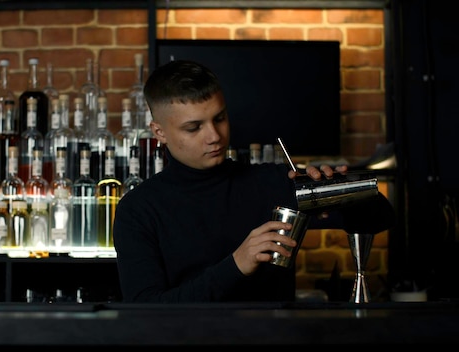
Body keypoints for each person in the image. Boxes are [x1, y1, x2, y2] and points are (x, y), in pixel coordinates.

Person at [112, 59, 348, 303]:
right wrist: (237, 265)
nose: (214, 136)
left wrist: (341, 189)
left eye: (220, 118)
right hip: (188, 341)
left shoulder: (274, 181)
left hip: (276, 339)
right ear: (159, 132)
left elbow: (377, 219)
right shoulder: (138, 209)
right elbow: (145, 311)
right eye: (194, 128)